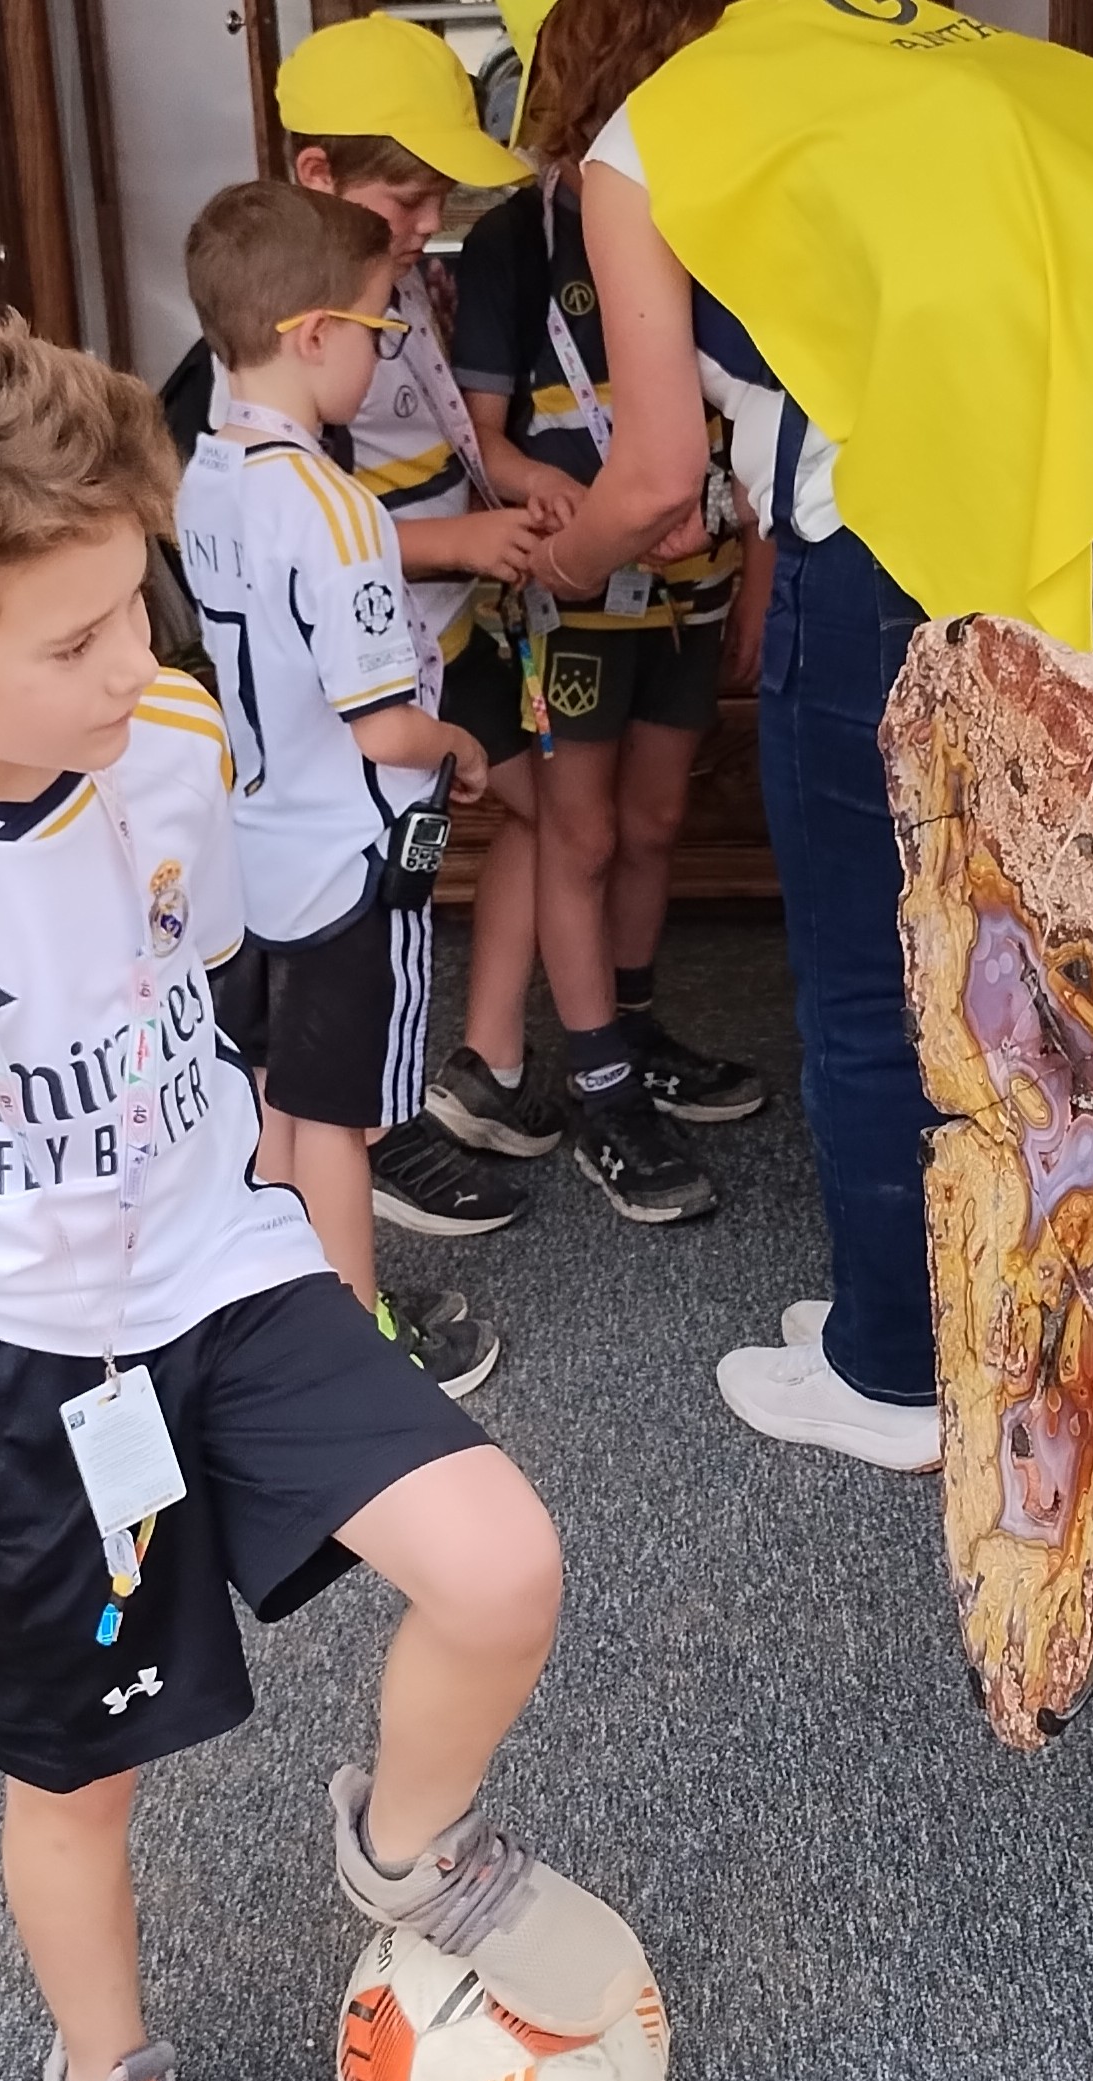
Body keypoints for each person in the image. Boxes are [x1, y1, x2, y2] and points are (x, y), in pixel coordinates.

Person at [0, 319, 635, 2081]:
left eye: (143, 607)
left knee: (501, 1563)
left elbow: (196, 982)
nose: (137, 666)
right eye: (72, 642)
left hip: (226, 1265)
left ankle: (405, 1842)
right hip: (4, 1358)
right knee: (84, 1769)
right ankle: (100, 2072)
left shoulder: (171, 741)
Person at [520, 0, 1093, 1468]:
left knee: (873, 967)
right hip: (1086, 555)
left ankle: (894, 1364)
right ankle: (1035, 1323)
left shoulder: (671, 122)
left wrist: (561, 568)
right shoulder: (992, 68)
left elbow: (652, 481)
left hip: (883, 568)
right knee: (1050, 961)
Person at [161, 13, 574, 1225]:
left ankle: (471, 1070)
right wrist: (451, 546)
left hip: (415, 660)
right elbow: (320, 545)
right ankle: (368, 1164)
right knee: (331, 1032)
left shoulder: (309, 348)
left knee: (524, 826)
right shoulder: (284, 381)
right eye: (407, 199)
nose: (425, 226)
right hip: (364, 722)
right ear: (319, 183)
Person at [174, 183, 504, 1398]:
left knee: (271, 1087)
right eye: (380, 326)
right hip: (349, 860)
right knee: (346, 1115)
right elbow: (380, 725)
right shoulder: (339, 509)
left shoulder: (204, 477)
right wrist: (462, 750)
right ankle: (359, 1339)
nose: (384, 350)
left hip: (253, 843)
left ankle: (269, 1302)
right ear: (312, 333)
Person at [439, 130, 771, 1226]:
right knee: (577, 834)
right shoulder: (508, 242)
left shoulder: (714, 214)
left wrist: (756, 574)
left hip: (702, 573)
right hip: (570, 578)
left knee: (659, 815)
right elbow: (484, 443)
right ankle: (598, 1084)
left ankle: (635, 1031)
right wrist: (590, 516)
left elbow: (764, 415)